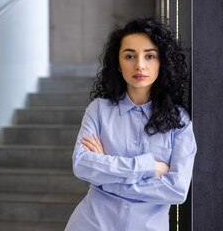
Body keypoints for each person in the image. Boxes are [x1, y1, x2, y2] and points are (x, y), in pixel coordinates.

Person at [65, 17, 197, 231]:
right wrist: (148, 167)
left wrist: (105, 178)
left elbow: (177, 190)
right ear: (118, 63)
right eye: (129, 56)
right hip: (91, 224)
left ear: (162, 62)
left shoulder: (179, 121)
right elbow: (82, 164)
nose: (139, 65)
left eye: (150, 56)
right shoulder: (98, 110)